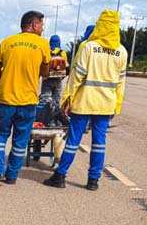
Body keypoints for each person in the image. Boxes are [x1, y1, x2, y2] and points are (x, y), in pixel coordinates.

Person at [43, 10, 128, 191]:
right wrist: (116, 106)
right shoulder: (122, 52)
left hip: (84, 101)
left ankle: (60, 175)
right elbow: (121, 83)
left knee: (73, 140)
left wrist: (67, 98)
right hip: (106, 104)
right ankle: (93, 180)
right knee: (99, 143)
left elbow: (77, 76)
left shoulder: (90, 47)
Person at [0, 11, 51, 185]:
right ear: (35, 24)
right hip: (28, 102)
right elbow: (45, 73)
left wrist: (8, 76)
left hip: (6, 99)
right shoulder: (43, 44)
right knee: (20, 140)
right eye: (42, 26)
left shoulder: (6, 42)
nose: (42, 29)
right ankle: (12, 175)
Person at [40, 35, 68, 102]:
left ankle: (46, 112)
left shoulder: (47, 51)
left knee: (45, 100)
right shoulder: (63, 53)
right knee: (56, 100)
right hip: (58, 79)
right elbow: (66, 67)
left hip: (47, 79)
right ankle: (55, 111)